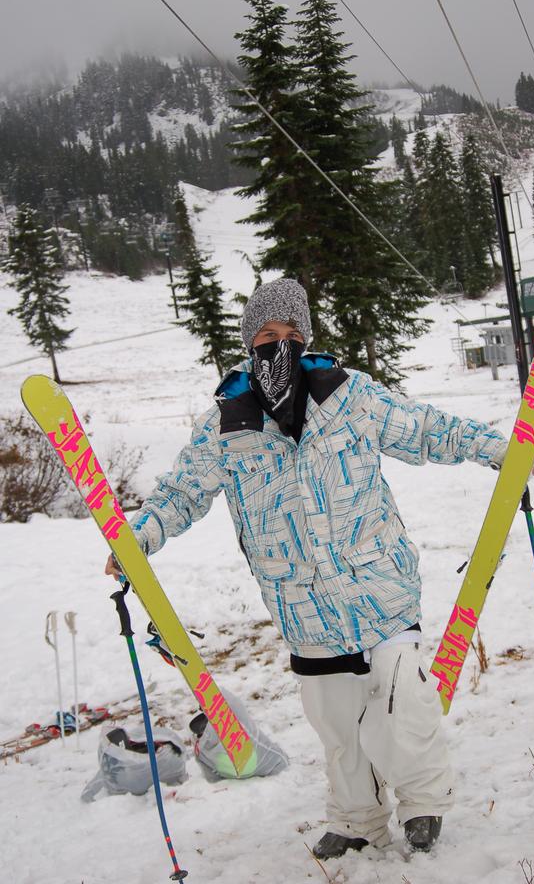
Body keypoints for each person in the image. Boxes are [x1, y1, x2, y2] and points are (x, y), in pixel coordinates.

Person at [106, 277, 508, 859]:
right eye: (268, 335)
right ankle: (357, 820)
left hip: (379, 585)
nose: (281, 346)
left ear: (308, 340)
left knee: (401, 705)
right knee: (337, 725)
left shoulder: (350, 396)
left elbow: (424, 428)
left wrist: (500, 447)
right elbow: (181, 493)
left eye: (292, 334)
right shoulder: (227, 424)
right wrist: (137, 540)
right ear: (249, 344)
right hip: (301, 604)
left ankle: (422, 804)